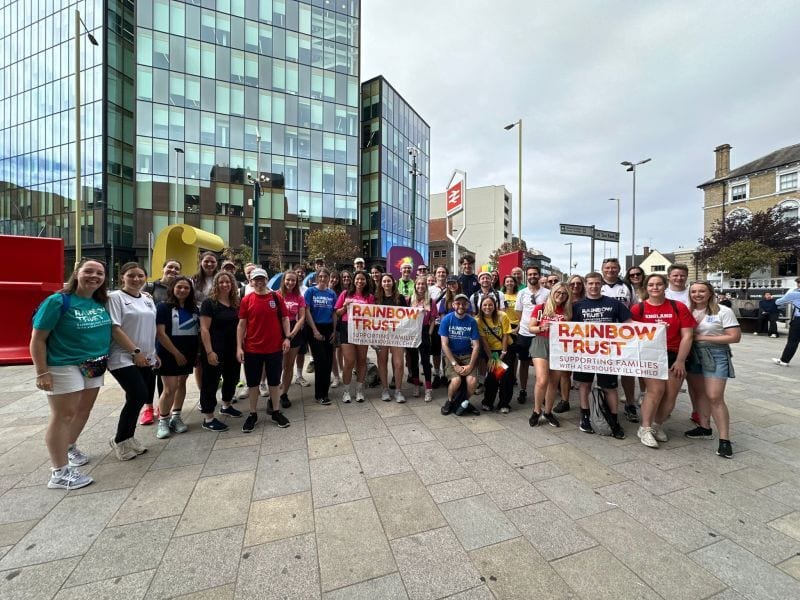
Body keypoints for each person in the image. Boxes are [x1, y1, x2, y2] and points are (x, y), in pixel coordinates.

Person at [31, 259, 112, 489]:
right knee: (63, 416)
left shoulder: (99, 302)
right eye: (88, 271)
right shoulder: (58, 301)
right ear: (77, 273)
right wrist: (41, 372)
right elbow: (37, 339)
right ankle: (59, 472)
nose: (94, 276)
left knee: (83, 411)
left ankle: (69, 446)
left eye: (99, 273)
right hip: (63, 365)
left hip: (94, 364)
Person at [630, 273, 695, 449]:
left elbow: (688, 335)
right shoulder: (638, 309)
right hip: (650, 354)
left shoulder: (678, 307)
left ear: (665, 286)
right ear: (646, 288)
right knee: (655, 391)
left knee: (671, 394)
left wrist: (681, 360)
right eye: (651, 285)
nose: (655, 288)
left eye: (659, 284)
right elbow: (630, 334)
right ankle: (644, 428)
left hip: (674, 354)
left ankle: (657, 425)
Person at [684, 281, 741, 459]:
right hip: (693, 354)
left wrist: (702, 337)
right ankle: (704, 427)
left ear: (710, 293)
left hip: (715, 354)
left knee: (715, 396)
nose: (697, 294)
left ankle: (725, 440)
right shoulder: (688, 310)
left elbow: (735, 337)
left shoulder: (723, 311)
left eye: (702, 291)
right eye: (694, 291)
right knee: (699, 393)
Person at [107, 262, 156, 460]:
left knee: (135, 398)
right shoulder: (115, 298)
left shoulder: (147, 299)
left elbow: (150, 328)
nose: (136, 279)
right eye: (131, 275)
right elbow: (115, 328)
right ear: (122, 278)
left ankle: (128, 437)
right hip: (123, 356)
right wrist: (135, 351)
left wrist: (153, 353)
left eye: (140, 276)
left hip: (146, 357)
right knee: (138, 394)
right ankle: (120, 440)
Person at [572, 272, 629, 439]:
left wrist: (654, 328)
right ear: (586, 284)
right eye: (590, 284)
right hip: (585, 352)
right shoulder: (578, 306)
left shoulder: (613, 303)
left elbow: (629, 324)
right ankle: (585, 416)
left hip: (607, 353)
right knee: (584, 385)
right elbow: (567, 328)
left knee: (610, 387)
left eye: (597, 283)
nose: (594, 286)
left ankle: (613, 419)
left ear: (601, 284)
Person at [237, 268, 292, 432]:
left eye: (262, 279)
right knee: (253, 383)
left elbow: (285, 318)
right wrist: (239, 347)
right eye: (256, 279)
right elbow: (241, 325)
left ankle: (276, 411)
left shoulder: (276, 297)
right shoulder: (247, 300)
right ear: (251, 281)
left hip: (274, 347)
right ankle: (252, 414)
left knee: (274, 382)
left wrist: (287, 338)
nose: (259, 282)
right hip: (252, 348)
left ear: (266, 279)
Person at [198, 271, 243, 433]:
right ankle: (208, 418)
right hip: (214, 349)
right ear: (216, 285)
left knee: (232, 378)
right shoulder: (209, 303)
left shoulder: (236, 303)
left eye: (228, 282)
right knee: (211, 382)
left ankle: (226, 406)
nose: (225, 285)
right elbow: (204, 329)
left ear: (233, 285)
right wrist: (209, 352)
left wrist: (240, 347)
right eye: (221, 282)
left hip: (232, 349)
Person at [154, 276, 199, 439]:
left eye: (186, 288)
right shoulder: (163, 307)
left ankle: (176, 416)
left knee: (182, 383)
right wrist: (176, 353)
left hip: (188, 353)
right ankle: (163, 419)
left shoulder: (193, 308)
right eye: (179, 287)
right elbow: (160, 333)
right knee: (169, 388)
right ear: (172, 288)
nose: (183, 290)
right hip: (169, 353)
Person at [140, 258, 181, 425]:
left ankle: (160, 406)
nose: (173, 270)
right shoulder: (151, 287)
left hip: (169, 336)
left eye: (176, 268)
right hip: (151, 336)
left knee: (162, 374)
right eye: (170, 267)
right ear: (163, 268)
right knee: (150, 373)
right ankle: (148, 407)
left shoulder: (178, 288)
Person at [600, 258, 639, 424]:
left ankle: (630, 404)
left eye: (614, 267)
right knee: (605, 372)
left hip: (624, 335)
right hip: (600, 336)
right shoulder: (596, 285)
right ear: (602, 269)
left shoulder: (627, 286)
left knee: (628, 371)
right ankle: (606, 403)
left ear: (619, 269)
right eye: (607, 267)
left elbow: (634, 309)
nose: (610, 270)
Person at [528, 282, 573, 427]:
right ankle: (536, 410)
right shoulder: (541, 308)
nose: (560, 296)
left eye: (564, 294)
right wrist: (542, 327)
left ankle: (548, 412)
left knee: (554, 381)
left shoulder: (567, 311)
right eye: (558, 292)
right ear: (552, 293)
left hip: (559, 346)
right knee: (542, 379)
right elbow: (530, 328)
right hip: (541, 342)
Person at [334, 270, 374, 403]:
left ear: (366, 281)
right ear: (353, 280)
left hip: (363, 330)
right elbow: (337, 313)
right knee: (349, 361)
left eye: (363, 279)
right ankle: (346, 391)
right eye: (357, 279)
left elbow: (375, 315)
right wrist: (345, 307)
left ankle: (359, 389)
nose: (360, 281)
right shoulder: (345, 294)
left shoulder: (370, 297)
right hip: (347, 328)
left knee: (362, 361)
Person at [439, 294, 482, 416]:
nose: (461, 306)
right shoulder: (447, 319)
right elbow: (444, 344)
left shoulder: (471, 321)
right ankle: (450, 400)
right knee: (456, 380)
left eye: (464, 303)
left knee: (472, 381)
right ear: (453, 305)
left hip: (467, 355)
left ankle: (464, 402)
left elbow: (476, 345)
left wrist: (470, 365)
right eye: (458, 303)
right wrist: (454, 364)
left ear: (468, 305)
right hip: (451, 355)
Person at [513, 266, 550, 404]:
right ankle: (523, 390)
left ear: (539, 276)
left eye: (535, 274)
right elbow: (519, 313)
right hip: (524, 333)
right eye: (530, 274)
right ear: (526, 276)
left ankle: (544, 392)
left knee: (544, 364)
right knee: (523, 363)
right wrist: (524, 324)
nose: (532, 276)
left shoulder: (547, 293)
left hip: (541, 334)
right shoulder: (522, 293)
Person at [304, 267, 338, 405]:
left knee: (329, 361)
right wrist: (314, 330)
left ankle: (325, 391)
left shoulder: (332, 293)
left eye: (325, 276)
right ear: (317, 277)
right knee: (320, 361)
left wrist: (335, 331)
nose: (323, 279)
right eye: (321, 276)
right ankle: (319, 394)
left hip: (328, 328)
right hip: (315, 327)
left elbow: (334, 313)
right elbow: (307, 312)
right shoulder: (311, 291)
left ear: (329, 278)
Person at [553, 274, 586, 414]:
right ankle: (565, 400)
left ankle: (585, 404)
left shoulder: (586, 301)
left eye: (579, 283)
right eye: (572, 284)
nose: (576, 286)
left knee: (584, 376)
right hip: (565, 342)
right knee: (565, 373)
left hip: (584, 341)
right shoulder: (563, 300)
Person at [476, 295, 513, 413]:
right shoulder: (478, 320)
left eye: (490, 305)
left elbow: (506, 335)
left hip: (505, 349)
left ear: (495, 306)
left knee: (506, 378)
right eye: (485, 305)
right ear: (481, 307)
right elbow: (484, 341)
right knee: (492, 377)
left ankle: (504, 403)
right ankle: (488, 402)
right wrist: (491, 357)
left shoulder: (503, 316)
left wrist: (503, 352)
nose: (488, 307)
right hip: (491, 352)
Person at [375, 273, 408, 402]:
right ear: (381, 283)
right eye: (384, 281)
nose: (387, 283)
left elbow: (407, 315)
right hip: (382, 334)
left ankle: (398, 391)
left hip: (397, 334)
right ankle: (385, 389)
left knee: (399, 363)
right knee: (382, 362)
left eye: (389, 281)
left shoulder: (399, 298)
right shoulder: (376, 298)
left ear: (393, 283)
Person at [277, 270, 306, 408]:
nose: (290, 282)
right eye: (288, 280)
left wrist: (291, 334)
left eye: (293, 280)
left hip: (294, 331)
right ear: (284, 280)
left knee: (289, 364)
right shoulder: (276, 295)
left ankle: (284, 394)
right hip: (278, 331)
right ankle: (275, 391)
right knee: (278, 364)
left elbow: (302, 318)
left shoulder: (299, 297)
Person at [407, 276, 437, 402]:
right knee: (413, 360)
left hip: (424, 331)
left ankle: (428, 388)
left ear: (426, 286)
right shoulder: (409, 300)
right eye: (418, 284)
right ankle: (416, 385)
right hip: (412, 332)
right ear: (415, 286)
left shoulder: (430, 300)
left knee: (425, 361)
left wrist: (429, 333)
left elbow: (433, 320)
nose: (420, 286)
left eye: (423, 284)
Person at [773, 277, 800, 367]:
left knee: (793, 341)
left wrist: (789, 294)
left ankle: (784, 360)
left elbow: (778, 302)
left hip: (798, 320)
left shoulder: (794, 294)